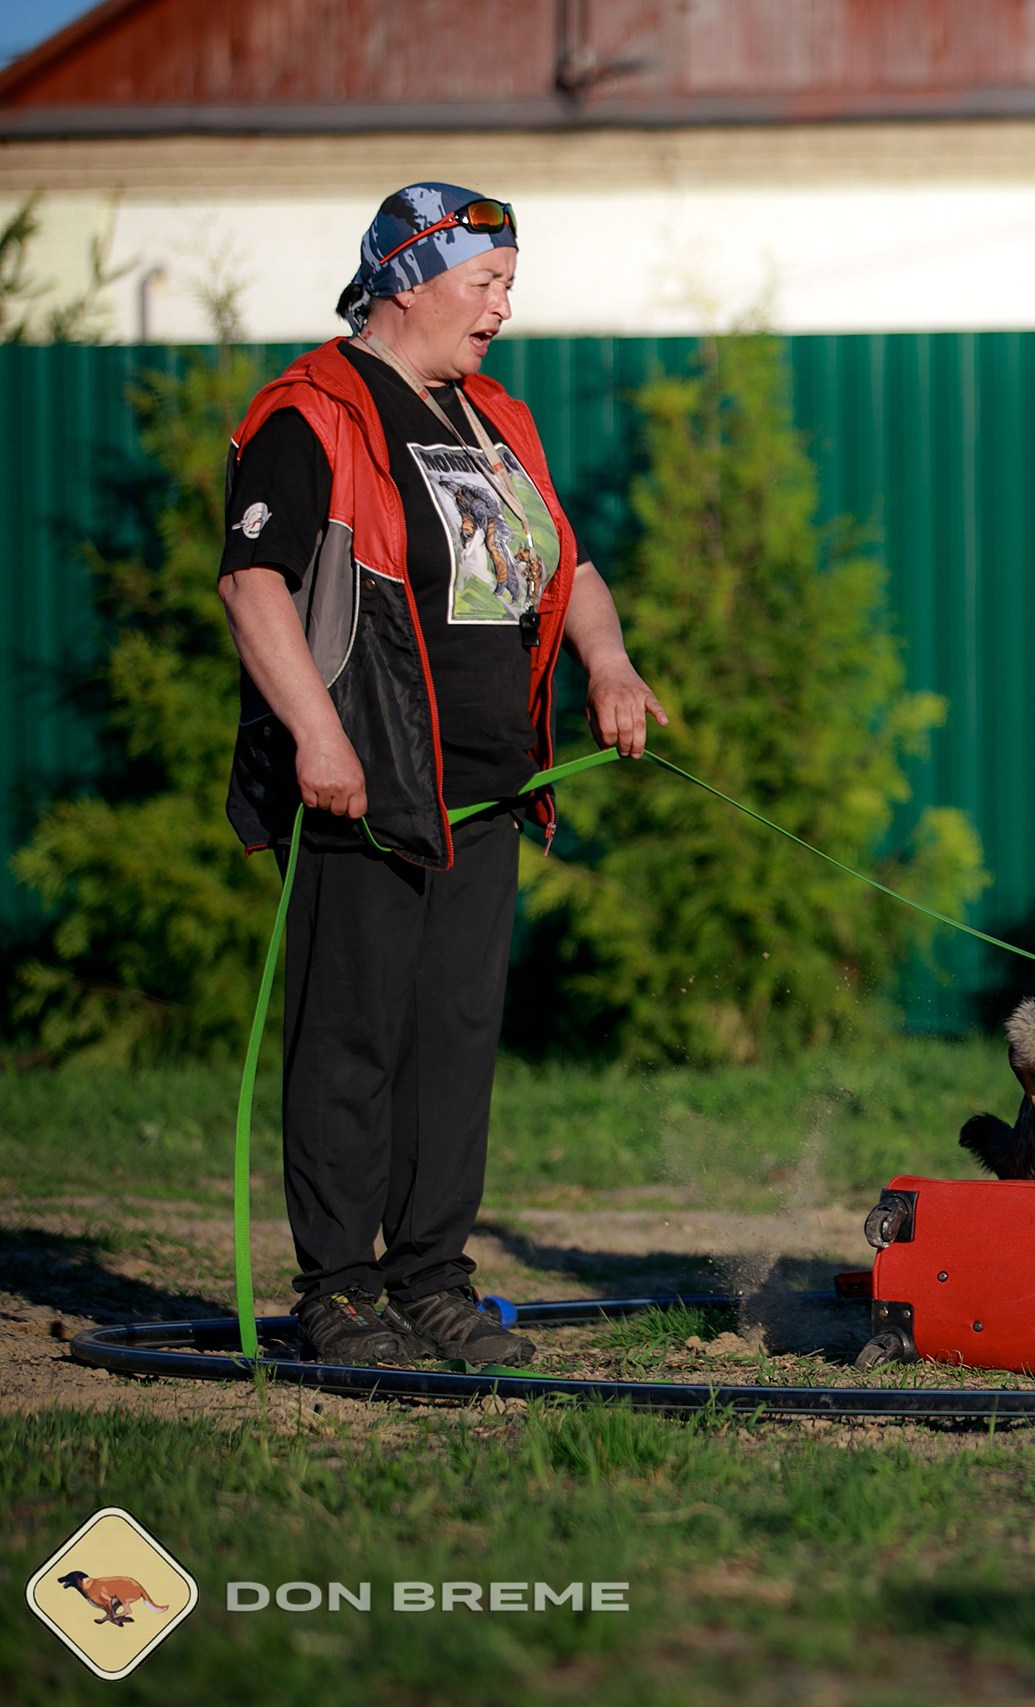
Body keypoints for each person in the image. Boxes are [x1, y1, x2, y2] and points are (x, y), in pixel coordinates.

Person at [217, 183, 667, 1367]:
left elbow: (565, 569)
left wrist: (608, 666)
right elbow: (252, 586)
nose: (503, 309)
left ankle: (430, 1281)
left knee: (453, 1044)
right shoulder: (312, 412)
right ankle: (338, 1293)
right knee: (352, 1038)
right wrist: (319, 738)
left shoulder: (491, 417)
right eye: (487, 284)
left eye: (509, 285)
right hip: (366, 779)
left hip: (490, 788)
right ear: (409, 279)